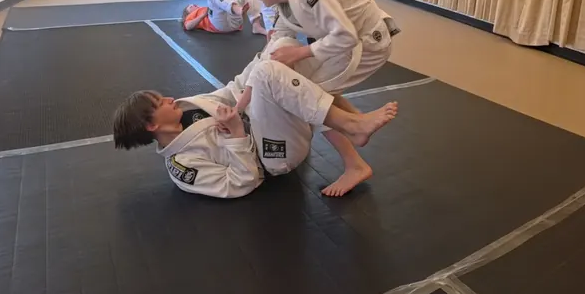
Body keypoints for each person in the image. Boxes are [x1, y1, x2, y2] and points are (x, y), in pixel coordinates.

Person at [111, 48, 398, 199]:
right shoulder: (183, 165)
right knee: (271, 74)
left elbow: (229, 90)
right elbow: (241, 183)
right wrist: (236, 134)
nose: (170, 98)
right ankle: (354, 124)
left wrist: (262, 55)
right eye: (160, 102)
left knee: (281, 58)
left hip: (264, 125)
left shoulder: (188, 106)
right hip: (271, 157)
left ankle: (355, 163)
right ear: (151, 126)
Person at [240, 0, 401, 196]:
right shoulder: (284, 5)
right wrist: (247, 94)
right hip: (351, 41)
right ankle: (355, 122)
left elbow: (345, 36)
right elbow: (276, 47)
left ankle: (354, 157)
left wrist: (300, 53)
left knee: (308, 94)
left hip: (369, 42)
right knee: (301, 84)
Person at [181, 0, 259, 34]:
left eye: (193, 4)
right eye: (190, 7)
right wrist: (203, 15)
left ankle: (256, 26)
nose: (193, 5)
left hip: (234, 24)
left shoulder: (205, 8)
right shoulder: (191, 16)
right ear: (188, 13)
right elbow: (188, 26)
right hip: (219, 25)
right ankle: (235, 9)